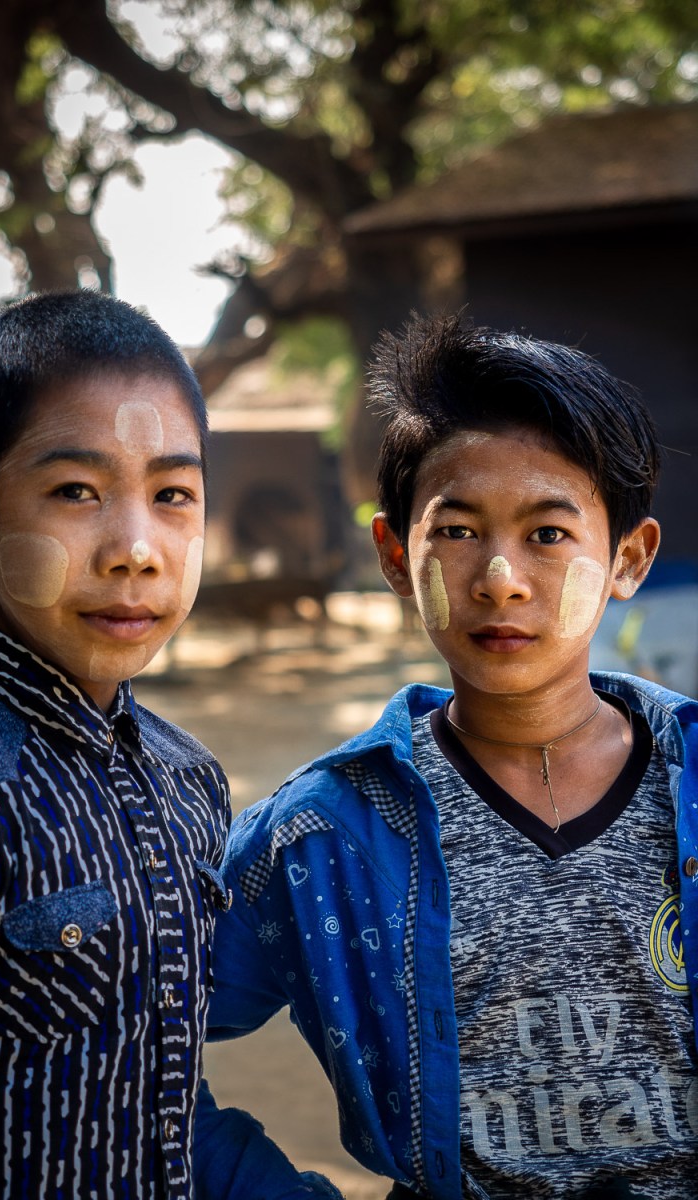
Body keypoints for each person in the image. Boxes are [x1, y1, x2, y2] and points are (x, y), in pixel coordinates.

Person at [195, 312, 698, 1199]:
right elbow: (126, 1037)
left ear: (628, 557)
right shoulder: (325, 834)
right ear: (397, 555)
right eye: (458, 531)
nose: (499, 576)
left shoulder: (688, 781)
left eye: (549, 534)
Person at [0, 290, 232, 1199]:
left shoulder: (190, 781)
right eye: (76, 491)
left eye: (172, 495)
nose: (135, 549)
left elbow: (169, 1088)